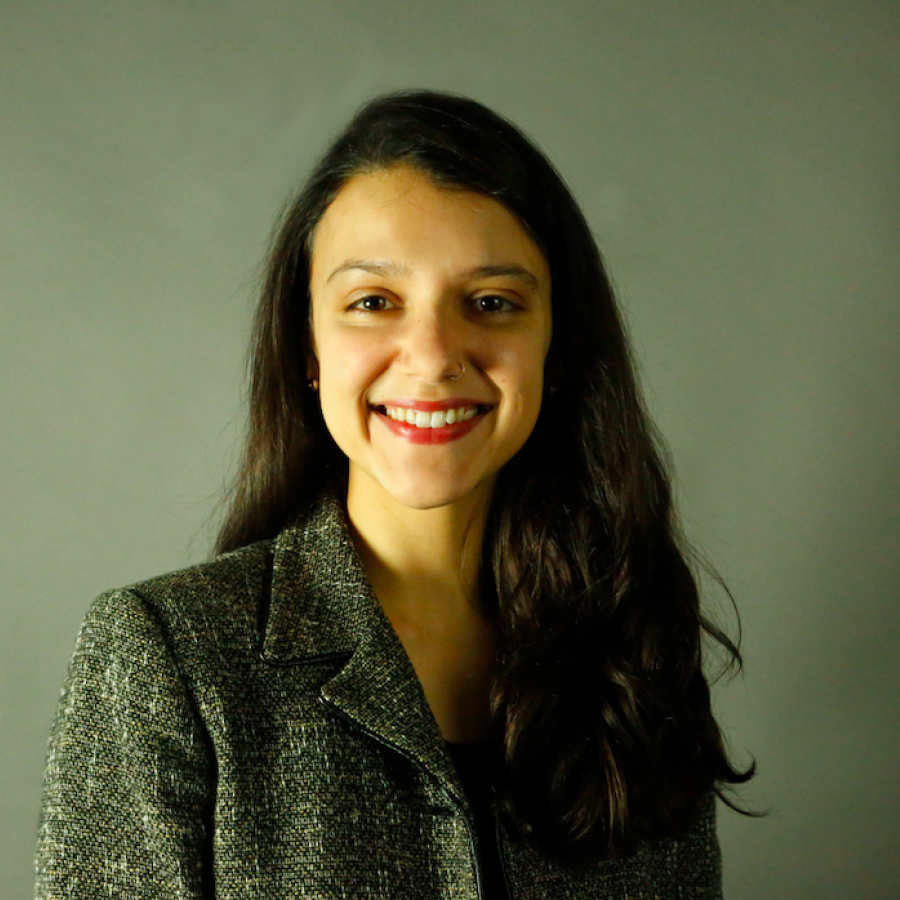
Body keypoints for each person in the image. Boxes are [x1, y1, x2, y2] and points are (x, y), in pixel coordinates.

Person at [36, 90, 752, 899]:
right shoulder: (165, 659)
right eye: (373, 303)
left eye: (491, 303)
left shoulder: (633, 650)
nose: (433, 355)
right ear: (307, 348)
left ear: (556, 347)